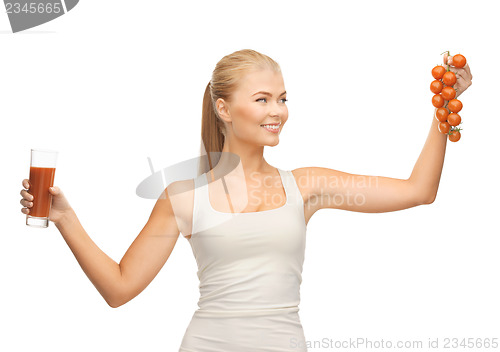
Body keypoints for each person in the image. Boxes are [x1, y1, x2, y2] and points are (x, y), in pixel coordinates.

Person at [19, 49, 473, 351]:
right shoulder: (184, 198)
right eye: (262, 99)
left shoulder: (306, 185)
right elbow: (119, 289)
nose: (278, 112)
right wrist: (64, 219)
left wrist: (444, 107)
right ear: (223, 109)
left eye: (282, 99)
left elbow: (419, 191)